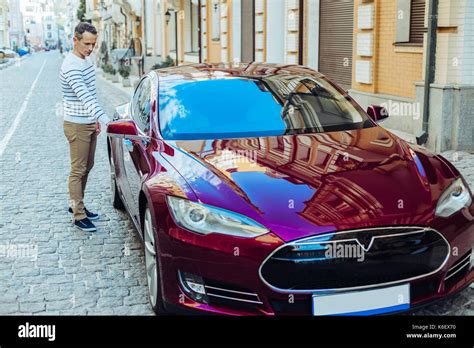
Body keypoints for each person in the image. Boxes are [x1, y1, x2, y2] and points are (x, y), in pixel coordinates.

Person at [60, 22, 111, 232]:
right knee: (78, 169)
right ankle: (78, 214)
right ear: (75, 40)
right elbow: (85, 97)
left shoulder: (84, 60)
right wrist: (109, 121)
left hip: (88, 123)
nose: (90, 48)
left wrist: (96, 120)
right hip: (76, 125)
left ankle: (77, 204)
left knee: (87, 167)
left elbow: (92, 91)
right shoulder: (71, 66)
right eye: (87, 44)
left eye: (93, 44)